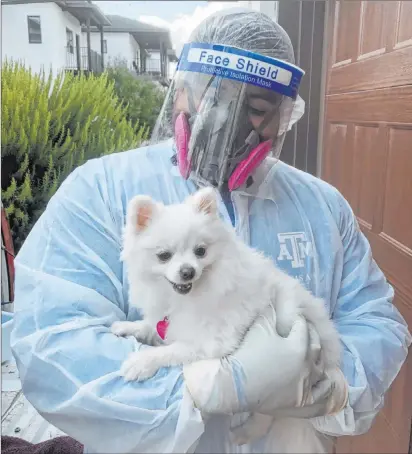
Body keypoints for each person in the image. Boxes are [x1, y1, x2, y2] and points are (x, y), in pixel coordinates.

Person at [10, 8, 411, 454]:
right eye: (214, 97)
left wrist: (329, 384)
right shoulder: (101, 191)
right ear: (180, 91)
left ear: (284, 116)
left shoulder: (322, 206)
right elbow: (53, 342)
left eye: (257, 108)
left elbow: (374, 319)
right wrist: (200, 387)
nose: (227, 122)